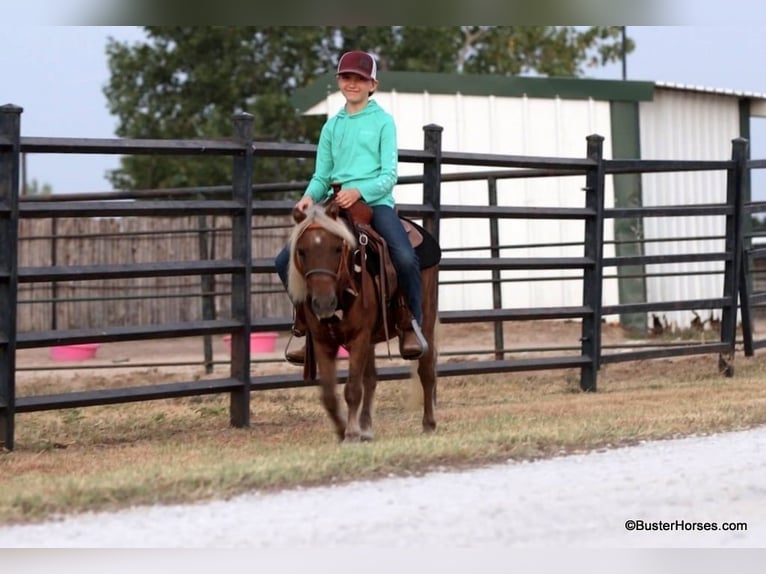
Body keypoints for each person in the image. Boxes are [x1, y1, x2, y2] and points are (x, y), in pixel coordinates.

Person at [275, 50, 427, 364]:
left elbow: (388, 176)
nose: (353, 83)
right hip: (334, 202)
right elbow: (322, 175)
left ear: (373, 85)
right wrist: (308, 196)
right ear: (339, 82)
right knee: (284, 259)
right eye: (347, 77)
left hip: (375, 203)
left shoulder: (383, 122)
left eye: (360, 79)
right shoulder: (332, 127)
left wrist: (359, 191)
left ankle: (410, 322)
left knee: (403, 255)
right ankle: (306, 324)